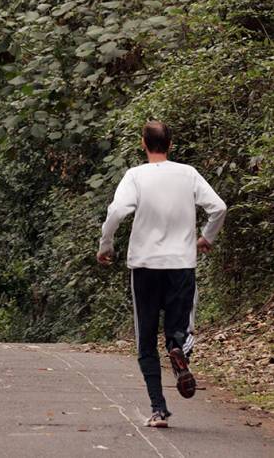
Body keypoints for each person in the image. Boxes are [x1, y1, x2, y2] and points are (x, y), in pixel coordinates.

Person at [96, 120, 227, 429]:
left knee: (145, 340)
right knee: (178, 326)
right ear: (170, 144)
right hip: (181, 263)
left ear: (144, 143)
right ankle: (177, 348)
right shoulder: (188, 174)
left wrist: (107, 244)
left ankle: (159, 409)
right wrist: (206, 237)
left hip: (144, 265)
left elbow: (116, 212)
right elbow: (218, 207)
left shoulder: (135, 176)